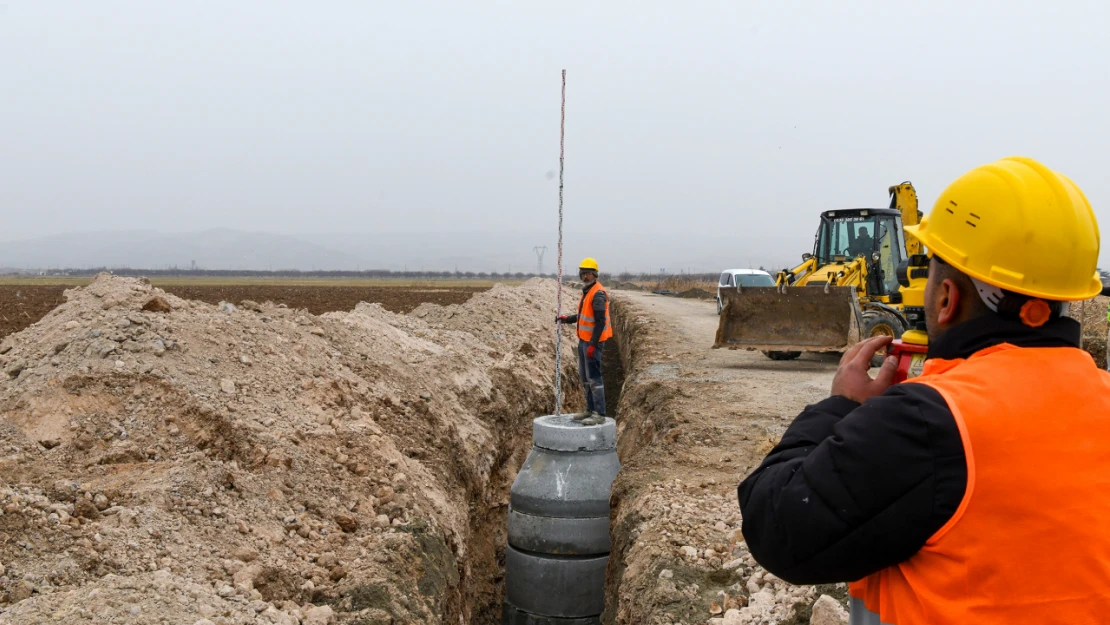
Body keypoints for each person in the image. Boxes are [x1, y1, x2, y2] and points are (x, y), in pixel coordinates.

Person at [737, 156, 1110, 624]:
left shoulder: (932, 421)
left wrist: (841, 406)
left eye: (928, 264)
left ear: (947, 297)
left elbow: (777, 525)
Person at [556, 257, 612, 425]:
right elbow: (583, 317)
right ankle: (589, 409)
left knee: (595, 378)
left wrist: (593, 344)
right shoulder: (587, 291)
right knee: (585, 377)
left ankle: (599, 413)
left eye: (588, 273)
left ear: (594, 275)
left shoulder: (598, 294)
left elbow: (600, 321)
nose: (585, 276)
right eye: (583, 273)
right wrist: (567, 319)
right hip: (584, 341)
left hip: (592, 343)